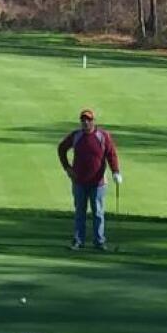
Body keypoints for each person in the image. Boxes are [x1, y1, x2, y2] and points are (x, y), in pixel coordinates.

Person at [56, 107, 122, 251]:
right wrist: (67, 168)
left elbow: (111, 154)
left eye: (88, 120)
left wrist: (116, 171)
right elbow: (61, 148)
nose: (85, 122)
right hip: (79, 181)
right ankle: (78, 241)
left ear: (93, 121)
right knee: (80, 212)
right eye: (83, 120)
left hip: (98, 183)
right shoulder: (76, 136)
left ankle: (99, 242)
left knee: (98, 213)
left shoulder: (102, 136)